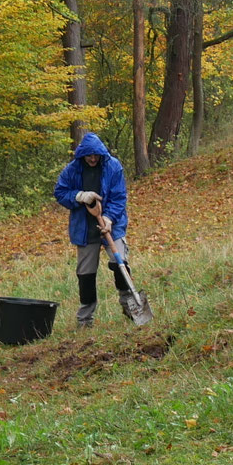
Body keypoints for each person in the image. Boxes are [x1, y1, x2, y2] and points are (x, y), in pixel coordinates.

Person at [54, 132, 137, 326]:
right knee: (86, 274)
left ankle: (131, 307)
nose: (92, 159)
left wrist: (108, 219)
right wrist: (79, 196)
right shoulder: (72, 170)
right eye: (89, 155)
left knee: (121, 264)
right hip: (84, 229)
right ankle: (85, 320)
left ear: (101, 154)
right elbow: (60, 192)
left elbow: (119, 197)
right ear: (82, 154)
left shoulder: (113, 167)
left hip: (112, 226)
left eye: (95, 155)